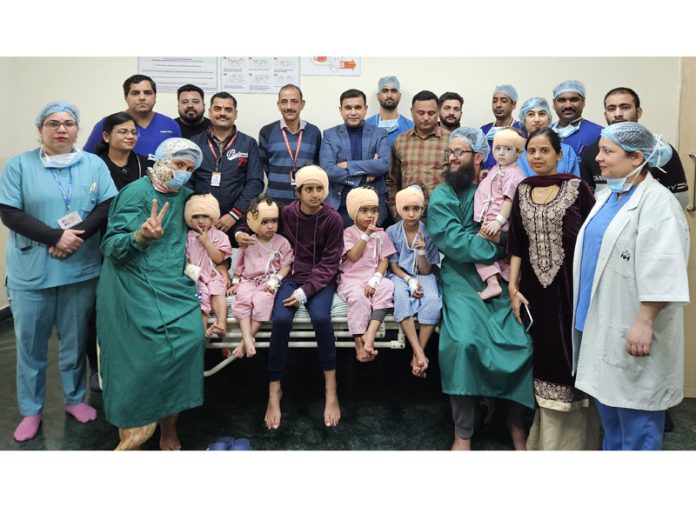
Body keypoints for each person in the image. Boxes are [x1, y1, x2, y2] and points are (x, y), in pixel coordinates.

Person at [0, 101, 118, 442]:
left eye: (68, 123)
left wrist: (74, 237)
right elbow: (9, 212)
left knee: (74, 340)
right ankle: (31, 409)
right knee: (31, 345)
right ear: (41, 130)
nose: (61, 129)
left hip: (79, 270)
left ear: (77, 129)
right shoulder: (19, 166)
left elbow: (107, 204)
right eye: (53, 123)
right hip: (32, 272)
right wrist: (55, 236)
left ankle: (74, 399)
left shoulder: (92, 164)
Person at [573, 122, 689, 451]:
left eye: (608, 151)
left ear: (637, 157)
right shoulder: (609, 194)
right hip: (601, 320)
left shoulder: (658, 204)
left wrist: (644, 321)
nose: (599, 158)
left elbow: (664, 266)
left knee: (638, 423)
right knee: (612, 418)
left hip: (634, 326)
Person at [428, 127, 534, 451]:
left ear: (478, 156)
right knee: (462, 342)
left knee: (522, 341)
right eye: (450, 152)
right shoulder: (443, 194)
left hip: (501, 275)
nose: (453, 158)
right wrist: (494, 246)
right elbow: (451, 239)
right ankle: (463, 432)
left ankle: (517, 426)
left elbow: (516, 230)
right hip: (460, 277)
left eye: (460, 152)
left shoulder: (500, 184)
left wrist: (502, 243)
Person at [96, 138, 205, 451]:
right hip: (130, 284)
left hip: (171, 284)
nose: (183, 172)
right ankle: (135, 425)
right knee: (141, 361)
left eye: (189, 168)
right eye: (177, 164)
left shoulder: (187, 197)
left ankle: (168, 426)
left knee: (189, 341)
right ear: (161, 161)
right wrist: (140, 236)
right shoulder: (135, 193)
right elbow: (111, 247)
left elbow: (204, 230)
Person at [507, 128, 598, 450]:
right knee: (543, 352)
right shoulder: (522, 189)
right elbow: (516, 242)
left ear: (559, 154)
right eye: (532, 151)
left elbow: (593, 238)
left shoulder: (578, 188)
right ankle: (543, 439)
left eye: (545, 150)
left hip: (570, 287)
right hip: (534, 289)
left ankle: (575, 442)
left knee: (569, 351)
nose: (537, 157)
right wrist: (513, 287)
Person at [260, 166, 343, 430]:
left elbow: (331, 263)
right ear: (298, 192)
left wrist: (305, 292)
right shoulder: (286, 213)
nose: (315, 194)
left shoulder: (333, 219)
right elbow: (258, 218)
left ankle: (331, 389)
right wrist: (241, 232)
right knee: (281, 320)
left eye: (320, 189)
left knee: (320, 318)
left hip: (320, 281)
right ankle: (275, 391)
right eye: (309, 189)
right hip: (291, 275)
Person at [579, 87, 689, 207]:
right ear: (605, 114)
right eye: (611, 109)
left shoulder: (660, 152)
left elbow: (679, 198)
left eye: (625, 107)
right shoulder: (592, 152)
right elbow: (588, 200)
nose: (618, 114)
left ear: (639, 112)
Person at [189, 92, 264, 240]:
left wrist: (234, 214)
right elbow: (188, 181)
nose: (222, 113)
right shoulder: (195, 143)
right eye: (217, 109)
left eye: (228, 110)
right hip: (200, 221)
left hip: (237, 221)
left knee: (237, 261)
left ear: (235, 114)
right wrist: (199, 214)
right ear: (210, 112)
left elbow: (255, 183)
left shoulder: (248, 143)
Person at [386, 185, 442, 378]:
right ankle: (419, 353)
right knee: (401, 297)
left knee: (433, 300)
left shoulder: (428, 232)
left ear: (422, 209)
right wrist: (409, 281)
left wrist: (420, 251)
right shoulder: (392, 231)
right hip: (400, 275)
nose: (411, 214)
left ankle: (418, 352)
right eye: (406, 209)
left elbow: (426, 270)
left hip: (424, 275)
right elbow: (393, 266)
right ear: (399, 210)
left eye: (416, 209)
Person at [229, 197, 293, 358]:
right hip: (248, 279)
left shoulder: (282, 243)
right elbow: (239, 264)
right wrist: (236, 281)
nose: (271, 226)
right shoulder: (248, 241)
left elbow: (286, 265)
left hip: (269, 280)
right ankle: (247, 337)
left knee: (263, 300)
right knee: (242, 298)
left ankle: (246, 340)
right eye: (265, 222)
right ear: (254, 223)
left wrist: (276, 279)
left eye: (274, 221)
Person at [338, 187, 395, 362]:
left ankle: (370, 334)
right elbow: (353, 256)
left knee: (387, 286)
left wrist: (376, 279)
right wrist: (366, 235)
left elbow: (383, 260)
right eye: (364, 210)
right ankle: (358, 342)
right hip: (352, 279)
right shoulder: (348, 233)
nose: (370, 215)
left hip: (371, 277)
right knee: (358, 298)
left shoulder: (382, 234)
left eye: (374, 210)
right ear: (354, 212)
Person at [320, 88, 391, 226]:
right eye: (348, 108)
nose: (353, 112)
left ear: (365, 109)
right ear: (341, 110)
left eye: (358, 107)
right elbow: (328, 170)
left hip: (373, 207)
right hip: (340, 207)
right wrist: (363, 178)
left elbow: (383, 164)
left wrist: (349, 165)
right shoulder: (329, 135)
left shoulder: (380, 134)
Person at [474, 128, 526, 300]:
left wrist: (498, 221)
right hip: (490, 221)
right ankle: (501, 282)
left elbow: (508, 200)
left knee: (477, 247)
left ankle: (493, 284)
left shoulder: (513, 173)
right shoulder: (498, 168)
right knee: (500, 258)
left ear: (518, 153)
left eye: (508, 149)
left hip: (500, 224)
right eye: (498, 148)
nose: (502, 153)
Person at [83, 74, 181, 159]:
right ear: (125, 97)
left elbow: (180, 160)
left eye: (147, 93)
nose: (142, 97)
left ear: (155, 96)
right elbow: (87, 159)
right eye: (135, 93)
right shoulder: (108, 123)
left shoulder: (171, 125)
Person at [387, 90, 450, 217]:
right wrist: (395, 210)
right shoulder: (401, 141)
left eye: (431, 113)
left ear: (438, 113)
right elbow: (392, 180)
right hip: (407, 215)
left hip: (441, 214)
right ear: (411, 112)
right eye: (421, 113)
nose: (426, 118)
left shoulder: (451, 140)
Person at [259, 84, 322, 206]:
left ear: (302, 104)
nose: (289, 107)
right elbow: (266, 166)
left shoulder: (314, 132)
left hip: (305, 203)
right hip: (274, 203)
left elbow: (316, 166)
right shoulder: (266, 131)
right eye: (284, 102)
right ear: (278, 105)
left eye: (294, 102)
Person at [184, 193, 232, 338]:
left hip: (212, 273)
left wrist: (207, 242)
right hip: (194, 276)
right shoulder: (187, 237)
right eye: (196, 217)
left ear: (212, 217)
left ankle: (221, 323)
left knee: (218, 289)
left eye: (205, 216)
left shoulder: (219, 236)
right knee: (200, 297)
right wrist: (193, 274)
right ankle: (203, 330)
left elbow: (218, 258)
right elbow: (185, 260)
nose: (201, 220)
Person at [517, 97, 580, 178]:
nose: (537, 119)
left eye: (542, 114)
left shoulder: (567, 152)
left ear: (549, 118)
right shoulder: (515, 152)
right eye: (531, 114)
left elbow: (575, 185)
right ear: (523, 119)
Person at [95, 111, 152, 190]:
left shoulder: (148, 165)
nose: (130, 136)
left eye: (134, 132)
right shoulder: (96, 166)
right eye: (123, 132)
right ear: (106, 137)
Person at [551, 80, 602, 157]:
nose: (568, 105)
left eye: (574, 99)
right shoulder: (543, 134)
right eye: (562, 100)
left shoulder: (599, 134)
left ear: (583, 102)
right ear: (554, 104)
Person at [365, 75, 414, 146]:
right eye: (385, 91)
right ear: (378, 96)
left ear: (399, 96)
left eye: (394, 91)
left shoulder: (411, 127)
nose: (389, 95)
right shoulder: (366, 126)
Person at [481, 85, 521, 169]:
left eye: (504, 101)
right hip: (486, 178)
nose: (498, 105)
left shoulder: (521, 129)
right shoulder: (484, 131)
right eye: (494, 101)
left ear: (514, 104)